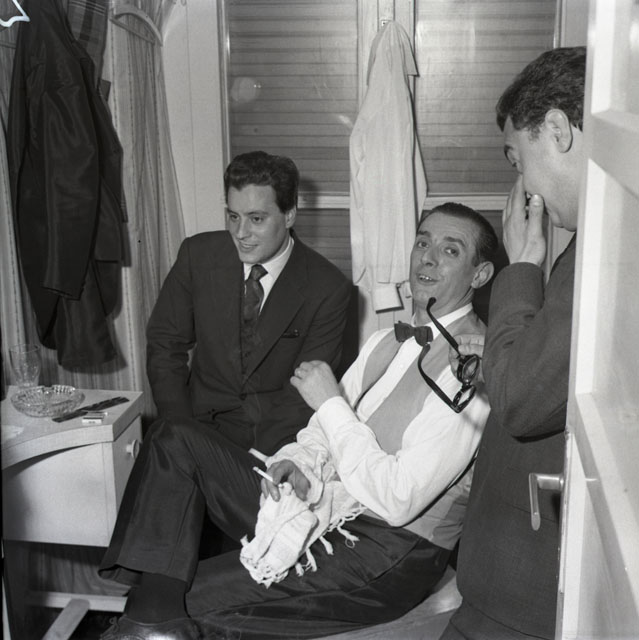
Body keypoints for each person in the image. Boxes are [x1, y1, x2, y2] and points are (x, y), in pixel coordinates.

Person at [98, 203, 498, 640]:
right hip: (323, 503)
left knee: (179, 602)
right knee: (174, 438)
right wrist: (299, 461)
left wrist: (330, 403)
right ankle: (149, 622)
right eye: (423, 242)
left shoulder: (473, 368)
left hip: (385, 553)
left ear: (479, 275)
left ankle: (146, 622)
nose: (428, 258)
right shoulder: (385, 340)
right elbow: (320, 434)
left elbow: (398, 500)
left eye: (450, 250)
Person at [439, 47, 586, 640]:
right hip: (506, 578)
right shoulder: (591, 241)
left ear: (557, 129)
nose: (520, 182)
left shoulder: (610, 251)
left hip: (525, 597)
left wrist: (523, 263)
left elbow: (521, 401)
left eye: (518, 158)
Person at [145, 150, 352, 456]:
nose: (240, 233)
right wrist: (182, 432)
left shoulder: (328, 288)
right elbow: (164, 345)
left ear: (290, 215)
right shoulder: (197, 255)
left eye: (256, 219)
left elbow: (301, 396)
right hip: (193, 427)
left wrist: (256, 459)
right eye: (233, 217)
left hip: (271, 445)